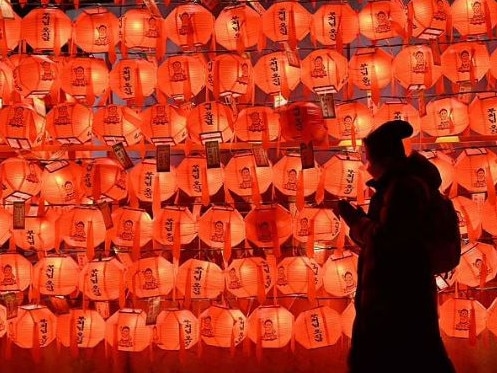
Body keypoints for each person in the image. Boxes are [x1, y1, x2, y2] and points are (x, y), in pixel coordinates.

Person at [337, 120, 455, 373]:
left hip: (395, 300)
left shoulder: (404, 188)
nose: (366, 166)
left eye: (368, 158)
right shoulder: (398, 186)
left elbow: (387, 241)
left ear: (384, 158)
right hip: (401, 297)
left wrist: (355, 221)